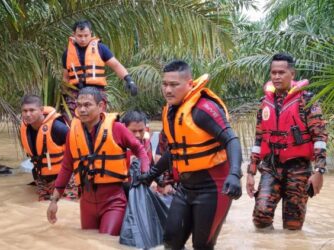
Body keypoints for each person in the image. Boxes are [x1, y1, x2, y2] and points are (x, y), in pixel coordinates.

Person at [136, 60, 242, 250]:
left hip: (213, 188)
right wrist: (151, 175)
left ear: (190, 84)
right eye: (165, 84)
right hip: (186, 187)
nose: (168, 90)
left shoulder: (203, 110)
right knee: (171, 240)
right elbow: (176, 151)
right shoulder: (171, 111)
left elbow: (231, 139)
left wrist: (235, 174)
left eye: (174, 85)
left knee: (202, 245)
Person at [46, 87, 149, 235]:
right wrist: (54, 200)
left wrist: (145, 174)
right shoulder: (72, 134)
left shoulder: (117, 128)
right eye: (79, 105)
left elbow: (139, 150)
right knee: (89, 242)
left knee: (105, 242)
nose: (82, 109)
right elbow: (67, 167)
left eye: (87, 105)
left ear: (101, 106)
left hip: (113, 202)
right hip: (86, 204)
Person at [246, 53, 328, 231]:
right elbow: (259, 139)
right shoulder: (265, 103)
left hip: (298, 168)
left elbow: (320, 138)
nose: (276, 76)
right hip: (271, 166)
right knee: (261, 217)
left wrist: (319, 171)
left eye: (281, 72)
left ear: (292, 74)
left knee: (293, 226)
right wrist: (251, 172)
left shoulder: (307, 102)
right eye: (273, 72)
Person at [61, 19, 138, 122]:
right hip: (75, 93)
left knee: (99, 122)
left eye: (86, 35)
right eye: (79, 36)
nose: (83, 39)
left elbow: (116, 65)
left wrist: (129, 80)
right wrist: (63, 95)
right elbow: (66, 77)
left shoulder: (101, 48)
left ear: (91, 34)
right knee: (71, 122)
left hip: (97, 92)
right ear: (74, 34)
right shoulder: (67, 53)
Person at [20, 95, 75, 201]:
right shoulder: (24, 129)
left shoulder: (57, 127)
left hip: (64, 177)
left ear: (41, 110)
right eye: (24, 111)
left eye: (32, 110)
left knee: (67, 206)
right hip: (41, 178)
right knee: (42, 207)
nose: (28, 114)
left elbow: (78, 149)